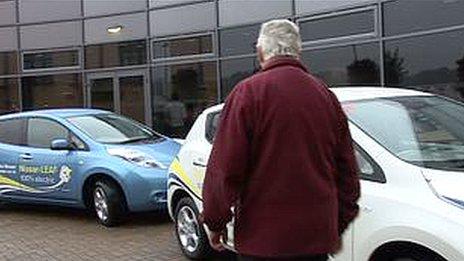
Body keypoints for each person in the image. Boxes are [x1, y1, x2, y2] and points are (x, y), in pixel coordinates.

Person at [201, 19, 360, 260]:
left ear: (260, 51)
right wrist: (336, 225)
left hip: (262, 243)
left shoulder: (248, 94)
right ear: (298, 51)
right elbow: (348, 173)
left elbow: (225, 170)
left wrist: (215, 221)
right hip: (314, 241)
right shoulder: (325, 96)